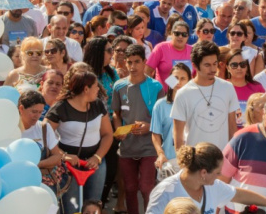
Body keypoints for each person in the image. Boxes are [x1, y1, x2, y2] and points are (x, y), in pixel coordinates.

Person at [45, 69, 114, 209]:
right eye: (96, 86)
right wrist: (63, 156)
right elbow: (45, 133)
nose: (99, 90)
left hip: (95, 165)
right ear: (86, 89)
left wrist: (97, 157)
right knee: (72, 208)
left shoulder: (98, 105)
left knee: (93, 206)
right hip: (68, 167)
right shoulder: (61, 107)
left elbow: (108, 134)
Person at [145, 142, 266, 214]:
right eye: (217, 173)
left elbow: (238, 195)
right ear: (204, 173)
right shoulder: (164, 192)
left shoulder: (213, 186)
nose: (220, 176)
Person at [112, 44, 164, 214]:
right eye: (129, 62)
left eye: (137, 62)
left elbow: (161, 118)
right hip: (127, 147)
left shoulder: (156, 87)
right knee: (130, 187)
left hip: (149, 147)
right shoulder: (119, 86)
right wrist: (118, 130)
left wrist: (150, 127)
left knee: (146, 187)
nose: (133, 67)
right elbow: (116, 114)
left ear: (144, 62)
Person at [171, 41, 240, 151]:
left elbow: (232, 126)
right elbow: (178, 135)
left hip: (222, 160)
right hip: (195, 161)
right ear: (195, 66)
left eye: (215, 64)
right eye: (207, 65)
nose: (213, 69)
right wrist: (183, 162)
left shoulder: (228, 88)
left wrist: (233, 157)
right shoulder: (183, 94)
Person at [17, 90, 66, 193]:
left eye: (41, 112)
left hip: (43, 186)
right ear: (21, 108)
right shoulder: (10, 130)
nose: (37, 116)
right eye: (34, 112)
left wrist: (37, 165)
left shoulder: (44, 128)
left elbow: (57, 157)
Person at [151, 62, 191, 172]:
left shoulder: (194, 104)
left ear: (189, 81)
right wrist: (160, 154)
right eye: (175, 78)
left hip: (190, 160)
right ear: (169, 80)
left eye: (183, 78)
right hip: (168, 161)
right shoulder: (160, 105)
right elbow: (155, 134)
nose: (178, 82)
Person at [146, 19, 193, 92]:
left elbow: (198, 74)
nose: (180, 37)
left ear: (188, 36)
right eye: (177, 33)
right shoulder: (161, 48)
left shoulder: (192, 51)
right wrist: (152, 90)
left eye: (184, 34)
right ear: (171, 33)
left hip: (186, 95)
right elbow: (147, 71)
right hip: (164, 95)